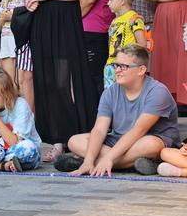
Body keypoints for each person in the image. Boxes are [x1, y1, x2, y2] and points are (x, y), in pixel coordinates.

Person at [25, 0, 99, 163]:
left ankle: (77, 136)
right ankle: (56, 140)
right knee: (45, 80)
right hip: (42, 20)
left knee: (65, 79)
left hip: (66, 19)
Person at [54, 45, 180, 176]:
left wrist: (109, 158)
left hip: (146, 139)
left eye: (123, 66)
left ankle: (99, 163)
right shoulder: (110, 92)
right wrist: (89, 160)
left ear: (141, 70)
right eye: (116, 65)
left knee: (152, 145)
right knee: (74, 141)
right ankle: (130, 164)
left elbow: (139, 130)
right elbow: (99, 130)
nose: (117, 71)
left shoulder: (158, 91)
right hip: (118, 141)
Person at [104, 0, 147, 89]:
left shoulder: (134, 18)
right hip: (111, 64)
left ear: (122, 1)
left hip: (126, 66)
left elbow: (142, 44)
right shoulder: (114, 21)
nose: (108, 3)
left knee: (126, 95)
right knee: (111, 96)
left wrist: (126, 53)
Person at [0, 0, 29, 81]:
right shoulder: (6, 0)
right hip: (6, 41)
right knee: (8, 79)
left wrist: (13, 17)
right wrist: (4, 18)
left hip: (20, 42)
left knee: (21, 79)